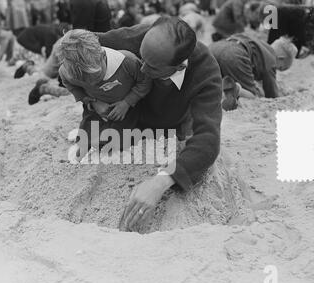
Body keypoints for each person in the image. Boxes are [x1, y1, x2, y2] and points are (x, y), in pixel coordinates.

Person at [42, 17, 222, 232]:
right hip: (127, 116)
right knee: (101, 141)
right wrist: (57, 76)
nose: (143, 69)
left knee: (189, 153)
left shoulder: (206, 73)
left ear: (180, 65)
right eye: (141, 58)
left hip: (170, 124)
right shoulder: (137, 37)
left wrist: (161, 181)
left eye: (153, 67)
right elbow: (76, 43)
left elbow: (208, 141)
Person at [56, 29, 152, 158]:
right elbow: (71, 85)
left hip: (126, 106)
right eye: (84, 80)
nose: (91, 83)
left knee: (121, 138)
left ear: (102, 56)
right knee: (86, 135)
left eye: (95, 76)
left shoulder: (126, 61)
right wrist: (91, 102)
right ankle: (87, 144)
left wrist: (127, 102)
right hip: (96, 106)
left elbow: (145, 81)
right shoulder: (67, 72)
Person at [210, 34, 297, 110]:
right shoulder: (271, 61)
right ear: (281, 58)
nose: (276, 70)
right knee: (252, 95)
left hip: (215, 47)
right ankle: (236, 89)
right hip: (234, 55)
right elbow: (272, 94)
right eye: (281, 68)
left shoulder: (260, 45)